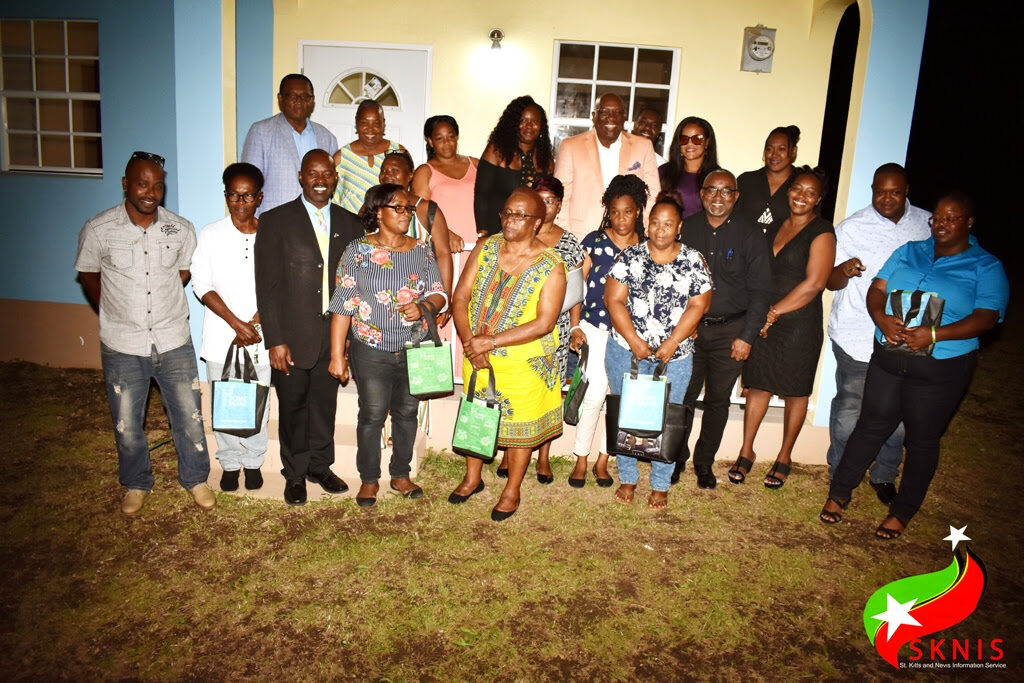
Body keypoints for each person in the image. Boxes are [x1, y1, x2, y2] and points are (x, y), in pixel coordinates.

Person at [820, 192, 1008, 539]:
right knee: (870, 425)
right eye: (937, 217)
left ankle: (902, 511)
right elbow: (877, 288)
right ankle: (839, 492)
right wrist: (881, 319)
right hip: (889, 357)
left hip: (940, 369)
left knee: (921, 439)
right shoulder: (909, 250)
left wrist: (935, 334)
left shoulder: (985, 265)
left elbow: (988, 317)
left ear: (969, 222)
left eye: (952, 218)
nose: (941, 224)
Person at [74, 151, 214, 515]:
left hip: (173, 339)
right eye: (142, 183)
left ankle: (196, 479)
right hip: (123, 343)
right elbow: (88, 274)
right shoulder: (98, 228)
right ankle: (136, 483)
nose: (151, 192)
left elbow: (184, 272)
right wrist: (116, 307)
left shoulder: (180, 228)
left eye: (158, 185)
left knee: (189, 415)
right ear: (125, 184)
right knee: (126, 422)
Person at [449, 188, 567, 521]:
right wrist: (472, 341)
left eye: (520, 215)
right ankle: (472, 478)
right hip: (478, 353)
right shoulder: (487, 248)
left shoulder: (551, 265)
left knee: (521, 427)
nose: (510, 220)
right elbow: (460, 298)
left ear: (537, 221)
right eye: (506, 213)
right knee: (477, 415)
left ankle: (511, 490)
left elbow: (544, 323)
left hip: (524, 361)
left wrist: (492, 342)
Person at [254, 149, 364, 506]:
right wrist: (276, 339)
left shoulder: (351, 224)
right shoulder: (275, 221)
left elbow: (356, 287)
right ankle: (295, 474)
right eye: (313, 173)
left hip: (332, 334)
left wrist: (346, 338)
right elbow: (266, 287)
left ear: (335, 179)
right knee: (293, 407)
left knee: (324, 405)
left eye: (327, 174)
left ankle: (320, 466)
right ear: (301, 177)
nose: (320, 180)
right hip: (292, 336)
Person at [327, 184, 448, 507]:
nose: (406, 214)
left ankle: (400, 474)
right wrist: (337, 355)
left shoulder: (421, 250)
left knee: (408, 413)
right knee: (372, 414)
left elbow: (439, 292)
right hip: (371, 349)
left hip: (414, 348)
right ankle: (369, 479)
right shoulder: (357, 251)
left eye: (408, 208)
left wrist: (423, 307)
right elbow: (342, 305)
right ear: (377, 211)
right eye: (398, 208)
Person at [824, 163, 931, 504]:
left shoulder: (928, 226)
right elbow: (831, 281)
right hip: (856, 334)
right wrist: (843, 270)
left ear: (907, 190)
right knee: (848, 413)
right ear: (871, 190)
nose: (886, 198)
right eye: (880, 191)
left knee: (897, 416)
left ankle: (884, 474)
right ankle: (839, 473)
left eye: (894, 191)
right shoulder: (852, 227)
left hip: (905, 337)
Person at [604, 191, 712, 509]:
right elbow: (614, 300)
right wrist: (636, 342)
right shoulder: (629, 257)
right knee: (628, 414)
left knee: (669, 419)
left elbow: (700, 304)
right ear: (647, 225)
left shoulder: (693, 259)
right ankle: (627, 478)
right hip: (626, 350)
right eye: (655, 223)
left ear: (679, 228)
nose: (660, 230)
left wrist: (671, 343)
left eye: (668, 224)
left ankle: (661, 483)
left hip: (675, 357)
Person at [731, 169, 836, 489]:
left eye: (810, 192)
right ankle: (746, 450)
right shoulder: (776, 223)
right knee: (759, 383)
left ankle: (785, 456)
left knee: (795, 390)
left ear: (819, 199)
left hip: (798, 322)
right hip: (766, 316)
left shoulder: (822, 232)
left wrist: (774, 312)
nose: (801, 196)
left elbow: (815, 283)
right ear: (789, 191)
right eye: (797, 189)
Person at [673, 169, 772, 489]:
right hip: (691, 329)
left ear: (736, 196)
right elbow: (673, 283)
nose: (718, 197)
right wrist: (681, 327)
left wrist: (747, 337)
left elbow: (761, 291)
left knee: (718, 401)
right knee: (683, 397)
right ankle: (675, 459)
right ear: (701, 195)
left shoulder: (751, 234)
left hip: (732, 331)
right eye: (711, 191)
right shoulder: (686, 230)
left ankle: (704, 463)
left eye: (726, 191)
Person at [191, 163, 270, 492]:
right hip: (223, 335)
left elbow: (282, 280)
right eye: (234, 195)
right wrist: (236, 322)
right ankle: (229, 461)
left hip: (261, 335)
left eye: (248, 195)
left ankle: (253, 461)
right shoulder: (211, 233)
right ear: (226, 196)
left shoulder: (271, 232)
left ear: (259, 197)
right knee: (225, 403)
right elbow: (201, 284)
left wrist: (261, 315)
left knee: (257, 403)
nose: (241, 201)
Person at [502, 174, 583, 484]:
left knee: (546, 392)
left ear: (558, 206)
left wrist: (574, 326)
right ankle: (510, 453)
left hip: (555, 329)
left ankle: (544, 458)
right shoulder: (513, 235)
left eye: (550, 201)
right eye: (539, 201)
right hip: (514, 327)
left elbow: (576, 293)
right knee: (513, 389)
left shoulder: (569, 242)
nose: (545, 207)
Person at [566, 175, 646, 488]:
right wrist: (575, 325)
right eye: (615, 212)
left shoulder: (647, 247)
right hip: (594, 328)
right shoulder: (594, 241)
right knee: (595, 393)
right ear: (607, 212)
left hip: (628, 334)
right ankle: (581, 459)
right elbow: (577, 288)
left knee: (619, 398)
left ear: (637, 211)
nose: (621, 218)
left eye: (627, 211)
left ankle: (604, 460)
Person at [554, 93, 660, 238]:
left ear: (624, 116)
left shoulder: (643, 146)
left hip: (629, 239)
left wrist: (647, 234)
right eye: (604, 112)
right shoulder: (570, 146)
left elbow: (652, 196)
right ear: (594, 116)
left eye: (617, 112)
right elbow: (561, 197)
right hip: (582, 237)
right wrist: (568, 240)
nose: (611, 117)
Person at [241, 74, 338, 214]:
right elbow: (249, 184)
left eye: (305, 97)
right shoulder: (261, 132)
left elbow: (331, 185)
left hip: (317, 222)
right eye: (293, 96)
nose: (299, 101)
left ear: (312, 100)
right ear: (280, 98)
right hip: (275, 222)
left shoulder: (327, 137)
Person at [378, 149, 459, 296]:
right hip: (378, 291)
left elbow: (443, 254)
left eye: (395, 170)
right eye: (383, 170)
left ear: (410, 176)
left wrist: (444, 297)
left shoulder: (425, 208)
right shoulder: (371, 206)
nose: (387, 174)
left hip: (419, 293)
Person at [474, 95, 554, 237]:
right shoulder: (496, 151)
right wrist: (482, 233)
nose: (529, 126)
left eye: (534, 121)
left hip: (532, 235)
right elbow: (482, 195)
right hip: (497, 231)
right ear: (513, 124)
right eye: (522, 121)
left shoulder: (546, 159)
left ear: (541, 126)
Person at [412, 115, 479, 246]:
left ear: (457, 137)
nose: (446, 142)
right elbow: (420, 211)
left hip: (476, 244)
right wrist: (445, 234)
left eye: (451, 136)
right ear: (431, 142)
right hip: (444, 245)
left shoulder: (475, 164)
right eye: (439, 138)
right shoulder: (424, 172)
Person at [332, 99, 407, 214]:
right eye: (364, 123)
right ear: (356, 122)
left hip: (389, 227)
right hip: (350, 227)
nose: (370, 129)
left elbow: (408, 192)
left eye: (376, 123)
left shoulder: (398, 152)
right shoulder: (341, 157)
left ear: (383, 123)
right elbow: (333, 199)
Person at [735, 126, 800, 232]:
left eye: (781, 149)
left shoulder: (803, 185)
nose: (774, 154)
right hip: (744, 247)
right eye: (769, 149)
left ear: (793, 151)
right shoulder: (746, 180)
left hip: (785, 248)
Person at [658, 116, 718, 220]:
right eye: (684, 139)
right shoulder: (664, 172)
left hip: (702, 235)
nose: (690, 144)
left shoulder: (717, 177)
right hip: (669, 234)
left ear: (707, 143)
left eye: (697, 139)